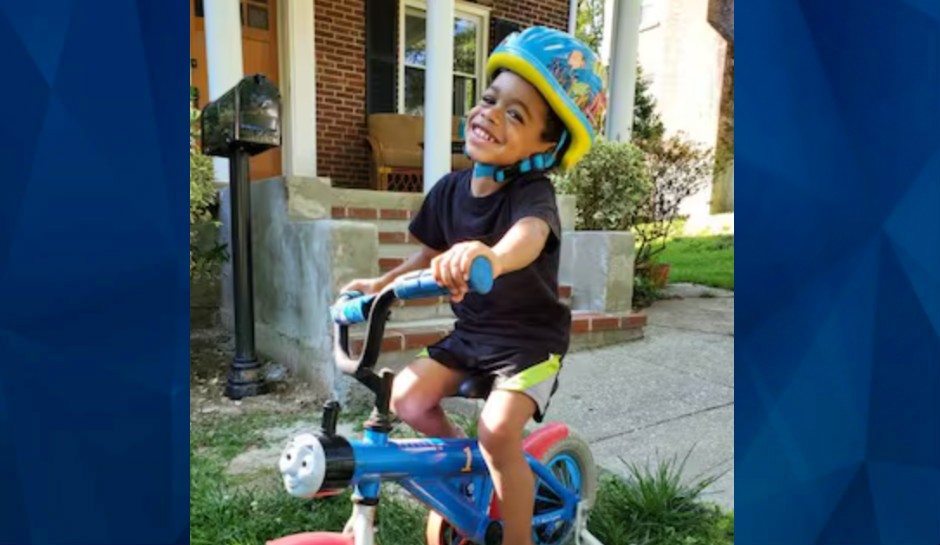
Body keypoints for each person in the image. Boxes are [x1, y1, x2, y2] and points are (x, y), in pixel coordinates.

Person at [341, 26, 607, 545]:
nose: (491, 114)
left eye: (516, 114)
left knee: (498, 431)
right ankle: (466, 476)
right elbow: (427, 256)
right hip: (471, 338)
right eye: (490, 99)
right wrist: (380, 285)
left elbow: (530, 236)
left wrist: (493, 256)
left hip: (528, 346)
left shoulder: (532, 193)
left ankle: (516, 537)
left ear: (546, 145)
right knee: (406, 399)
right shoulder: (449, 190)